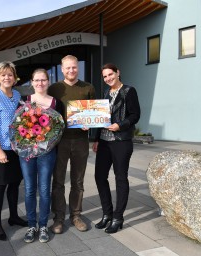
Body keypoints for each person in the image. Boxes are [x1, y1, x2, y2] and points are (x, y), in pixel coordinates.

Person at [48, 55, 95, 233]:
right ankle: (58, 218)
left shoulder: (88, 87)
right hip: (60, 141)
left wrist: (89, 124)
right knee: (58, 181)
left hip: (81, 140)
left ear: (78, 68)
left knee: (78, 180)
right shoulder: (54, 88)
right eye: (68, 68)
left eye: (74, 67)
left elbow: (93, 113)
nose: (71, 70)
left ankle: (75, 215)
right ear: (62, 69)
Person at [92, 63, 140, 233]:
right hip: (104, 142)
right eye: (105, 76)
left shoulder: (128, 91)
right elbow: (101, 117)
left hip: (121, 141)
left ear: (118, 73)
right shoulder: (106, 93)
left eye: (110, 74)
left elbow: (135, 115)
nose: (108, 78)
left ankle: (118, 217)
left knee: (120, 178)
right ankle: (107, 214)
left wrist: (120, 125)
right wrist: (96, 138)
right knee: (99, 177)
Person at [19, 69, 63, 243]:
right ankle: (32, 225)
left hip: (47, 152)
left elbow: (60, 128)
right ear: (32, 82)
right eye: (36, 80)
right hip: (28, 153)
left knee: (44, 189)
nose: (40, 83)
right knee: (29, 189)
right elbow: (18, 126)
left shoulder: (56, 103)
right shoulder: (25, 102)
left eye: (43, 80)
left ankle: (43, 225)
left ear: (48, 81)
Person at [0, 61, 28, 241]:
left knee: (14, 183)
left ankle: (13, 216)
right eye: (3, 75)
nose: (7, 77)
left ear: (14, 77)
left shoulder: (17, 94)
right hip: (0, 148)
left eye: (10, 74)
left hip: (16, 148)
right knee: (0, 185)